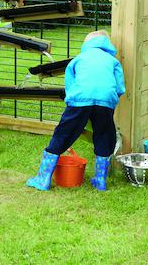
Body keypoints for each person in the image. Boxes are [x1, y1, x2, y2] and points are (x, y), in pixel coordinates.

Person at [26, 30, 125, 192]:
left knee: (63, 134)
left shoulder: (78, 59)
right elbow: (120, 88)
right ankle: (100, 181)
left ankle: (43, 179)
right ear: (107, 45)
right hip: (105, 101)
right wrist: (109, 101)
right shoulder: (112, 61)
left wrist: (73, 103)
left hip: (79, 99)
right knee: (104, 135)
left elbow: (70, 86)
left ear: (86, 44)